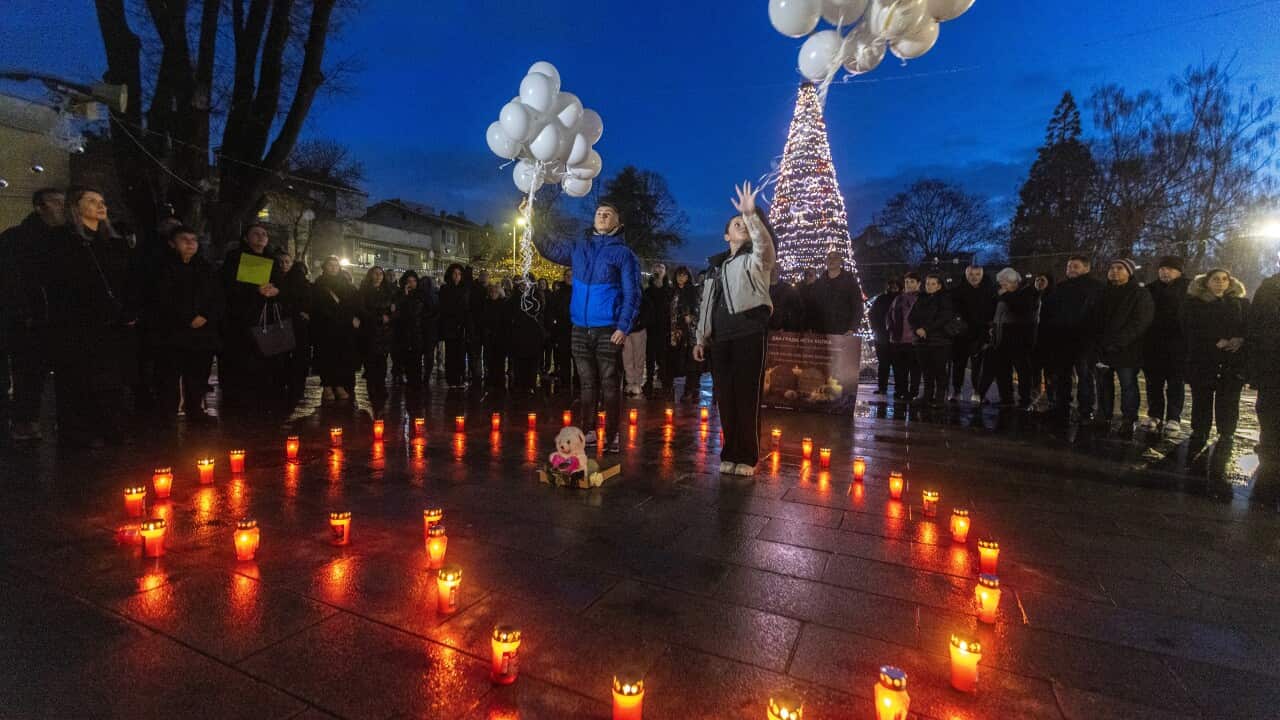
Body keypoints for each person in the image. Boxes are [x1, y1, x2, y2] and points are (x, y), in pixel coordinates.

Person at [533, 202, 642, 454]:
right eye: (598, 213)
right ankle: (589, 431)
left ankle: (613, 435)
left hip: (608, 329)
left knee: (610, 384)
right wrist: (533, 221)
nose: (602, 216)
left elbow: (633, 293)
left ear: (618, 222)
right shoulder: (580, 247)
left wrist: (623, 327)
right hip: (580, 328)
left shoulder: (624, 254)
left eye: (608, 214)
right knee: (586, 384)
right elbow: (550, 248)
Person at [38, 187, 136, 447]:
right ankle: (79, 432)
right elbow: (60, 281)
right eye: (92, 201)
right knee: (78, 379)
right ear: (76, 207)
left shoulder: (113, 243)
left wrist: (128, 309)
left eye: (102, 201)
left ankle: (111, 427)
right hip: (77, 322)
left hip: (111, 321)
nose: (100, 205)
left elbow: (127, 280)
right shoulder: (62, 240)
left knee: (110, 379)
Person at [692, 182, 774, 476]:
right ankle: (730, 452)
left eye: (744, 224)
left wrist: (751, 215)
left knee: (746, 397)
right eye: (736, 223)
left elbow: (764, 247)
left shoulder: (755, 259)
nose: (741, 226)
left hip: (748, 332)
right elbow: (706, 305)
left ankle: (748, 457)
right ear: (726, 235)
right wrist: (701, 338)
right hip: (721, 339)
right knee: (725, 398)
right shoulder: (715, 268)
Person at [0, 187, 63, 442]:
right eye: (55, 202)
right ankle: (23, 421)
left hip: (47, 313)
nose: (61, 207)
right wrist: (22, 309)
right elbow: (11, 278)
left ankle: (28, 419)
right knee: (27, 369)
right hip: (26, 315)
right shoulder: (18, 239)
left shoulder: (61, 239)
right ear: (40, 207)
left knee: (36, 370)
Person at [149, 225, 221, 423]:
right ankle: (167, 414)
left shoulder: (205, 268)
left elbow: (216, 296)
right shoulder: (161, 268)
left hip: (202, 332)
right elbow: (161, 298)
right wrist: (187, 317)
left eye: (193, 240)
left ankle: (195, 410)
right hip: (172, 331)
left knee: (198, 374)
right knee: (169, 375)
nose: (190, 244)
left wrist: (205, 315)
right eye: (184, 240)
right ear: (172, 244)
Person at [1182, 269, 1248, 453]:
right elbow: (1189, 327)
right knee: (1202, 397)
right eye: (1215, 279)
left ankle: (1227, 432)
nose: (1220, 282)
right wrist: (1214, 340)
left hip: (1231, 358)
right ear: (1207, 282)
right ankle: (1200, 431)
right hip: (1203, 357)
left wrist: (1240, 339)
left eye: (1224, 279)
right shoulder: (1194, 303)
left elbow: (1248, 325)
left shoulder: (1240, 303)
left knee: (1229, 398)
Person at [219, 223, 283, 413]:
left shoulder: (272, 260)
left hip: (267, 317)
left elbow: (281, 284)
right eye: (256, 233)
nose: (261, 237)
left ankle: (264, 397)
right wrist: (255, 290)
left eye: (264, 234)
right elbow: (228, 285)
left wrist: (276, 290)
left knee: (266, 360)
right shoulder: (235, 257)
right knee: (242, 361)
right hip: (241, 318)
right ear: (246, 238)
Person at [1094, 258, 1154, 435]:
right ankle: (1104, 415)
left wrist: (1119, 341)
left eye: (1120, 268)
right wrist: (1099, 342)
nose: (1114, 271)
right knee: (1103, 384)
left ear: (1129, 272)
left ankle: (1129, 419)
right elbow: (1093, 318)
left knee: (1128, 385)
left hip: (1128, 349)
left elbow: (1141, 321)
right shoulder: (1102, 292)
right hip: (1103, 348)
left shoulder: (1139, 293)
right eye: (1112, 268)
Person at [1041, 255, 1104, 421]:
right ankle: (1061, 406)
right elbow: (1050, 310)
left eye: (1075, 266)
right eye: (1069, 266)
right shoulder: (1061, 287)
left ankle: (1086, 410)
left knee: (1084, 376)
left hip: (1085, 340)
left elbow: (1099, 315)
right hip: (1062, 339)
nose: (1071, 269)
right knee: (1063, 375)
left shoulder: (1096, 288)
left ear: (1086, 268)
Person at [976, 268, 1039, 407]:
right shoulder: (1005, 295)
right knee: (1003, 371)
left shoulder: (1026, 293)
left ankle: (1025, 400)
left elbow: (1021, 309)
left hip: (1020, 340)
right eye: (1001, 284)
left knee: (1022, 372)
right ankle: (1006, 398)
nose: (1002, 287)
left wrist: (1005, 295)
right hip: (1001, 339)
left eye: (1004, 284)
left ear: (1014, 282)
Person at [1142, 256, 1191, 435]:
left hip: (1179, 344)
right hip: (1153, 343)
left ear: (1179, 271)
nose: (1165, 272)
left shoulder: (1189, 289)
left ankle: (1173, 417)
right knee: (1153, 382)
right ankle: (1154, 414)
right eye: (1162, 269)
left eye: (1170, 269)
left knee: (1175, 383)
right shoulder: (1150, 289)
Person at [311, 256, 360, 402]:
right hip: (324, 327)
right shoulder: (318, 284)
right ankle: (327, 386)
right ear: (324, 267)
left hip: (343, 327)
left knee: (340, 356)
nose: (333, 268)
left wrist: (352, 317)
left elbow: (353, 303)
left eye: (336, 265)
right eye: (330, 265)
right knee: (325, 356)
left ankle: (338, 385)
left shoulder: (346, 285)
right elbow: (316, 305)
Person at [949, 265, 997, 402]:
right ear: (966, 275)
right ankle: (957, 391)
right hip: (961, 334)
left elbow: (993, 311)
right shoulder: (957, 292)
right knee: (959, 364)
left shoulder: (990, 291)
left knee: (978, 366)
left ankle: (978, 392)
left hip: (981, 334)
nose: (974, 277)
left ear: (982, 275)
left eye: (977, 274)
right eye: (971, 274)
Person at [908, 272, 954, 407]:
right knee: (926, 370)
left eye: (933, 284)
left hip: (939, 341)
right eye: (927, 283)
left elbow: (943, 318)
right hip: (921, 341)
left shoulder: (944, 299)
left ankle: (940, 397)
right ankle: (927, 395)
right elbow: (911, 317)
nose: (929, 286)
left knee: (939, 370)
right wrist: (917, 329)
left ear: (939, 286)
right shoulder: (921, 298)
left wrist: (926, 329)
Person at [1249, 265, 1280, 457]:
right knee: (1267, 403)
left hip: (1269, 352)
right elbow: (1255, 319)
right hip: (1270, 355)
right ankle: (1269, 442)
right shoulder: (1268, 286)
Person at [275, 252, 312, 407]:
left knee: (297, 357)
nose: (284, 265)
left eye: (287, 262)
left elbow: (306, 300)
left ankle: (295, 388)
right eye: (281, 262)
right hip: (278, 323)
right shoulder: (272, 278)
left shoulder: (299, 281)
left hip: (296, 324)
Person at [357, 266, 396, 405]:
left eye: (381, 274)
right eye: (376, 273)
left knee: (382, 361)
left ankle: (381, 385)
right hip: (370, 331)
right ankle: (372, 387)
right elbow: (362, 310)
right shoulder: (364, 291)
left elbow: (393, 309)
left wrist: (390, 316)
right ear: (370, 275)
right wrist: (379, 318)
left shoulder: (388, 291)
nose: (378, 276)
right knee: (370, 361)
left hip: (384, 332)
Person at [886, 273, 921, 401]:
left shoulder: (922, 299)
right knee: (899, 369)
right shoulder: (899, 299)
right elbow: (889, 316)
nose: (909, 284)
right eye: (907, 282)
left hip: (915, 341)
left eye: (912, 282)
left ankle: (913, 392)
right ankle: (900, 390)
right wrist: (890, 329)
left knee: (915, 370)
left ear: (918, 284)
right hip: (898, 340)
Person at [670, 266, 703, 402]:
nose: (681, 278)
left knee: (691, 360)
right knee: (678, 360)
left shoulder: (692, 291)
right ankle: (678, 387)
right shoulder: (673, 291)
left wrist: (691, 316)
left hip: (690, 330)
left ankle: (691, 388)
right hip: (676, 330)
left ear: (688, 277)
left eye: (684, 275)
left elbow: (697, 308)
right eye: (679, 275)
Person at [508, 279, 547, 393]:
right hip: (519, 334)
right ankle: (520, 383)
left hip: (533, 334)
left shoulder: (536, 297)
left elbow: (540, 313)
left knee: (532, 361)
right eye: (523, 283)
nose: (525, 285)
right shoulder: (515, 298)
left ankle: (530, 384)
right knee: (519, 361)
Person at [812, 251, 864, 334]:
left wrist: (852, 328)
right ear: (826, 261)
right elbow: (813, 306)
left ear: (840, 261)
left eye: (835, 258)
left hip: (843, 331)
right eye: (829, 258)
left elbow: (857, 306)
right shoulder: (819, 283)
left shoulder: (849, 282)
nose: (831, 260)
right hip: (822, 332)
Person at [392, 271, 427, 387]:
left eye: (414, 281)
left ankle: (416, 382)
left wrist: (406, 298)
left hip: (417, 332)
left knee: (416, 359)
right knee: (405, 358)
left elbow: (414, 312)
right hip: (402, 332)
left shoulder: (420, 295)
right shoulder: (399, 295)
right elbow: (396, 312)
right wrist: (405, 296)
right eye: (409, 281)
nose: (411, 284)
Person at [438, 264, 470, 388]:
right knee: (451, 354)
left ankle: (460, 378)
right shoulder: (445, 289)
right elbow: (443, 307)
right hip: (450, 326)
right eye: (455, 274)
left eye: (459, 274)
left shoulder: (464, 289)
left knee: (461, 353)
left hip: (461, 326)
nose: (457, 276)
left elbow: (466, 307)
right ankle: (451, 379)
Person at [867, 278, 901, 395]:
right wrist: (876, 328)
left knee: (896, 365)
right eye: (891, 285)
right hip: (883, 336)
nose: (893, 288)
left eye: (895, 286)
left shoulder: (900, 298)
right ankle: (883, 387)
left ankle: (896, 389)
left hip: (894, 337)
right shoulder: (882, 299)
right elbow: (872, 314)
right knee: (884, 364)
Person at [643, 263, 673, 396]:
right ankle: (649, 381)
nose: (659, 270)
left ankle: (665, 381)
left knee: (664, 357)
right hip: (650, 327)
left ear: (665, 272)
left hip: (665, 328)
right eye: (656, 268)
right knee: (650, 356)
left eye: (661, 268)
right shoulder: (647, 291)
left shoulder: (670, 291)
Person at [1028, 272, 1056, 410]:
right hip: (1033, 341)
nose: (1039, 282)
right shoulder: (1030, 296)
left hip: (1048, 340)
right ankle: (1035, 398)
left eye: (1042, 280)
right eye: (1037, 280)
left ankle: (1051, 399)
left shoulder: (1053, 297)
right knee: (1034, 372)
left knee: (1050, 373)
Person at [477, 283, 510, 388]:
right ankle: (491, 379)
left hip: (500, 336)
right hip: (490, 336)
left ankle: (499, 380)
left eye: (495, 292)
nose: (493, 294)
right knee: (490, 359)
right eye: (491, 292)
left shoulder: (503, 303)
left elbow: (506, 320)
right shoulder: (486, 303)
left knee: (499, 359)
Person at [547, 270, 574, 386]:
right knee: (564, 359)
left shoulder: (580, 292)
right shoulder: (557, 294)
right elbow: (551, 312)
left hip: (577, 330)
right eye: (567, 275)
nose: (570, 278)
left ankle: (578, 384)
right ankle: (565, 383)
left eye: (572, 276)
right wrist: (554, 326)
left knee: (579, 360)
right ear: (564, 277)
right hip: (562, 330)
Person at [768, 267, 804, 332]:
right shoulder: (761, 288)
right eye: (771, 269)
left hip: (782, 330)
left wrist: (787, 327)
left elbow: (796, 310)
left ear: (779, 271)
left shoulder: (788, 289)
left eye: (775, 269)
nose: (773, 272)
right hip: (764, 329)